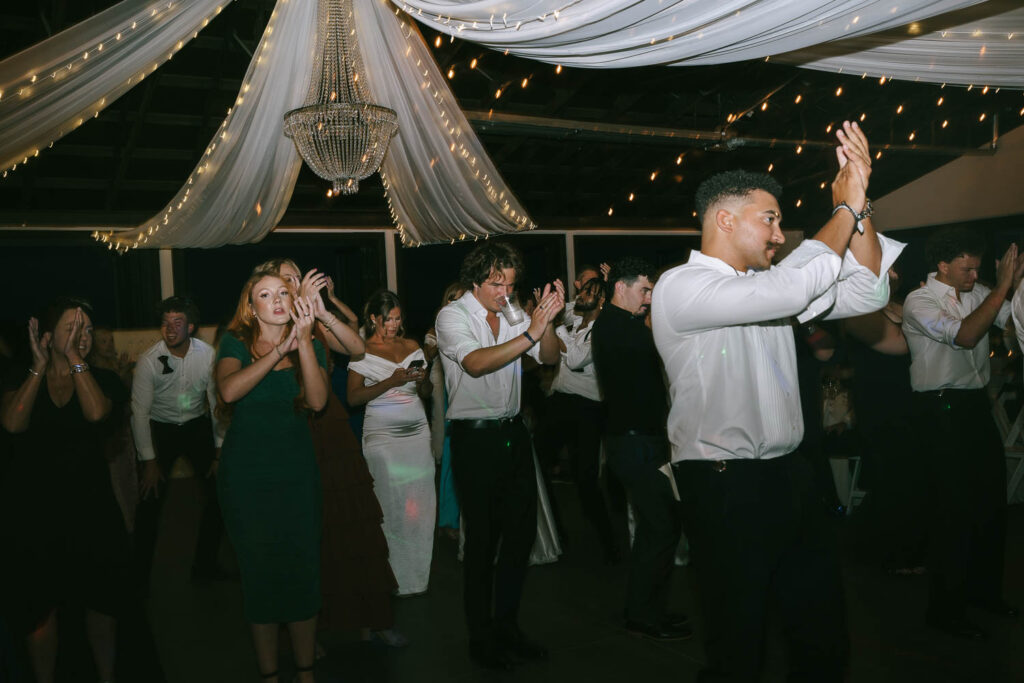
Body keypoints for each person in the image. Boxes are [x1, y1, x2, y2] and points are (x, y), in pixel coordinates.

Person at [652, 121, 901, 682]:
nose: (779, 234)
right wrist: (840, 209)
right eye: (770, 219)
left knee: (820, 627)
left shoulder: (772, 284)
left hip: (792, 475)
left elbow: (868, 290)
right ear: (725, 219)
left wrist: (861, 206)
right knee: (739, 636)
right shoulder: (680, 287)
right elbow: (791, 288)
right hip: (723, 483)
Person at [435, 241, 564, 671]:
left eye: (510, 283)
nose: (505, 292)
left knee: (521, 535)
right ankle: (481, 635)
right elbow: (474, 364)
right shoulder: (454, 316)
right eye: (496, 283)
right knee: (483, 540)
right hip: (474, 440)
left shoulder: (513, 313)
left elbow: (547, 359)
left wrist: (546, 321)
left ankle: (508, 625)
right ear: (476, 280)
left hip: (512, 435)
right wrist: (528, 330)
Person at [0, 298, 131, 683]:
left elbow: (95, 414)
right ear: (46, 335)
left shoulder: (103, 379)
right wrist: (38, 368)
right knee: (41, 611)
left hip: (91, 508)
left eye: (87, 328)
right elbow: (11, 424)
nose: (83, 335)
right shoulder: (18, 375)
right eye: (72, 327)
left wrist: (75, 356)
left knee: (101, 604)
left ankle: (106, 677)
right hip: (36, 512)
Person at [902, 227, 1024, 640]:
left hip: (974, 407)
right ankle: (944, 611)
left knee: (992, 504)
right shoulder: (919, 301)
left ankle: (983, 594)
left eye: (977, 268)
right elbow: (967, 335)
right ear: (942, 266)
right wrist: (1002, 287)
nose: (974, 276)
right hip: (939, 409)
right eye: (966, 268)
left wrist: (1016, 288)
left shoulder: (979, 292)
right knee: (953, 511)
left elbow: (1014, 324)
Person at [215, 273, 328, 683]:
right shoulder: (234, 344)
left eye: (283, 292)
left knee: (302, 572)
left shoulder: (310, 344)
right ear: (252, 307)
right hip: (246, 480)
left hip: (297, 477)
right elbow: (228, 391)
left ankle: (306, 673)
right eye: (265, 295)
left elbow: (317, 401)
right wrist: (279, 347)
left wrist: (302, 342)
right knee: (260, 574)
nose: (276, 300)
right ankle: (269, 676)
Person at [591, 257, 687, 641]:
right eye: (644, 290)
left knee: (659, 526)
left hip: (644, 438)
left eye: (651, 291)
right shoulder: (614, 325)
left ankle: (647, 608)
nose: (648, 298)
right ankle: (643, 615)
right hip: (632, 442)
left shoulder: (627, 323)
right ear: (621, 287)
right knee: (661, 526)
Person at [132, 296, 228, 591]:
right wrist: (149, 461)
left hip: (197, 427)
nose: (169, 329)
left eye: (177, 323)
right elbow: (139, 413)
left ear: (191, 327)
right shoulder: (149, 361)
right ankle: (138, 580)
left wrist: (218, 450)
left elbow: (215, 403)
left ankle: (205, 566)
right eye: (165, 322)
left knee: (220, 496)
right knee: (150, 504)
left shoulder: (208, 354)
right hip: (161, 431)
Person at [347, 290, 435, 596]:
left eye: (398, 319)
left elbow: (426, 393)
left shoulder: (412, 345)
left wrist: (423, 381)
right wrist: (389, 382)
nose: (394, 325)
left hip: (417, 430)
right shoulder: (361, 351)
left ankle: (415, 577)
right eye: (388, 320)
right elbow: (353, 397)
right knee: (388, 504)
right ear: (373, 319)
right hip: (382, 435)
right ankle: (387, 576)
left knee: (419, 503)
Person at [546, 277, 618, 563]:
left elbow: (575, 360)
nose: (582, 294)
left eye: (590, 292)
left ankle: (609, 545)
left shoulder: (601, 329)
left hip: (587, 409)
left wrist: (557, 330)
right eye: (582, 289)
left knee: (585, 480)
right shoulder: (575, 321)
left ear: (601, 300)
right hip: (560, 403)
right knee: (537, 466)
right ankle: (555, 534)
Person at [424, 282, 466, 540]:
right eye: (452, 299)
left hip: (468, 395)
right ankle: (450, 518)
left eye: (460, 299)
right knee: (450, 459)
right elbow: (428, 353)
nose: (455, 303)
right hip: (447, 399)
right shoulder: (435, 330)